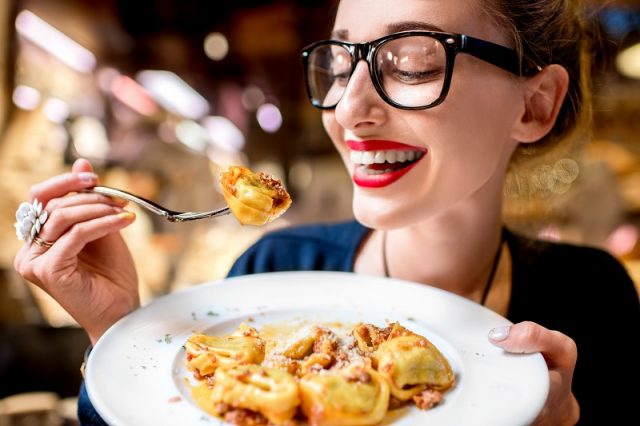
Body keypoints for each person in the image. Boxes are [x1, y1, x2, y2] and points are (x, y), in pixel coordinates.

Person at [12, 0, 640, 425]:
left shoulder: (592, 298)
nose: (346, 109)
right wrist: (117, 331)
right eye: (342, 63)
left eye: (413, 62)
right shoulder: (273, 267)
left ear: (534, 106)